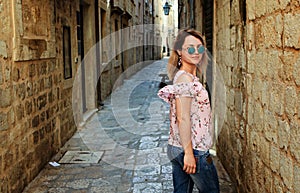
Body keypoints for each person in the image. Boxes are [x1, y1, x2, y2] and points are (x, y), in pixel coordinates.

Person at [157, 29, 220, 193]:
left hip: (176, 146)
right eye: (190, 48)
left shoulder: (184, 76)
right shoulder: (185, 78)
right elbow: (182, 118)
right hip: (193, 150)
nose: (196, 52)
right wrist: (189, 154)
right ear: (179, 51)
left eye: (200, 48)